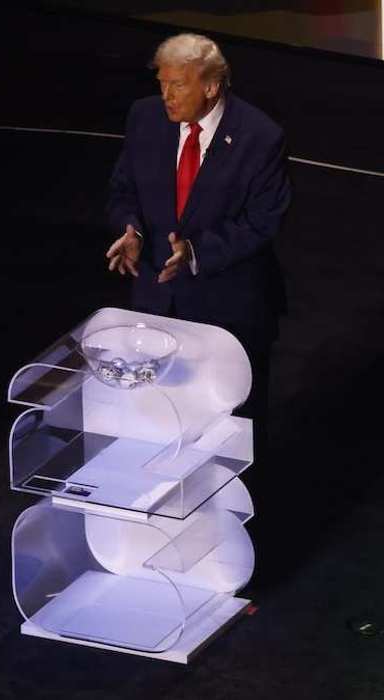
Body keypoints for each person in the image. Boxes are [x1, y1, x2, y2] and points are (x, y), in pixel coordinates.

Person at [104, 33, 290, 465]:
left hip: (229, 308)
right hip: (157, 302)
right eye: (163, 83)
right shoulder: (145, 118)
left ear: (211, 86)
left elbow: (264, 221)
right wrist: (129, 229)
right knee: (161, 423)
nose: (167, 95)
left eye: (178, 84)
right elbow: (123, 189)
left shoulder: (259, 136)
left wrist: (196, 252)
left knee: (230, 429)